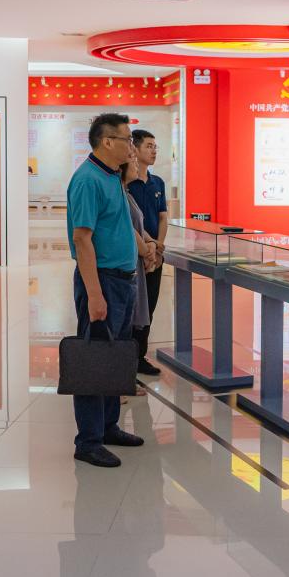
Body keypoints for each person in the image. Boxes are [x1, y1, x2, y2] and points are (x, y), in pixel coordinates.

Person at [66, 112, 146, 468]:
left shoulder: (112, 176)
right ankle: (88, 441)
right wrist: (95, 294)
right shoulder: (87, 180)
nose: (132, 146)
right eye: (127, 139)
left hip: (123, 280)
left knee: (116, 357)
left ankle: (109, 426)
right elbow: (82, 239)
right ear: (107, 141)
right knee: (94, 359)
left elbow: (121, 225)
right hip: (102, 281)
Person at [126, 129, 169, 376]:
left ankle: (140, 356)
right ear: (135, 149)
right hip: (135, 255)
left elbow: (163, 217)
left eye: (155, 147)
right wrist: (146, 250)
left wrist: (158, 247)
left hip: (154, 254)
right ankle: (127, 358)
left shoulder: (157, 183)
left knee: (148, 307)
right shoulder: (126, 183)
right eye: (149, 146)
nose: (153, 151)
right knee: (133, 308)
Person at [121, 143, 159, 399]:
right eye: (132, 160)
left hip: (137, 262)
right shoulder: (119, 194)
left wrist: (152, 244)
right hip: (128, 264)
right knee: (122, 327)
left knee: (131, 324)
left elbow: (140, 227)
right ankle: (119, 382)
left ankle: (125, 377)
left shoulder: (127, 193)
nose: (136, 164)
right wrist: (147, 251)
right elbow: (128, 227)